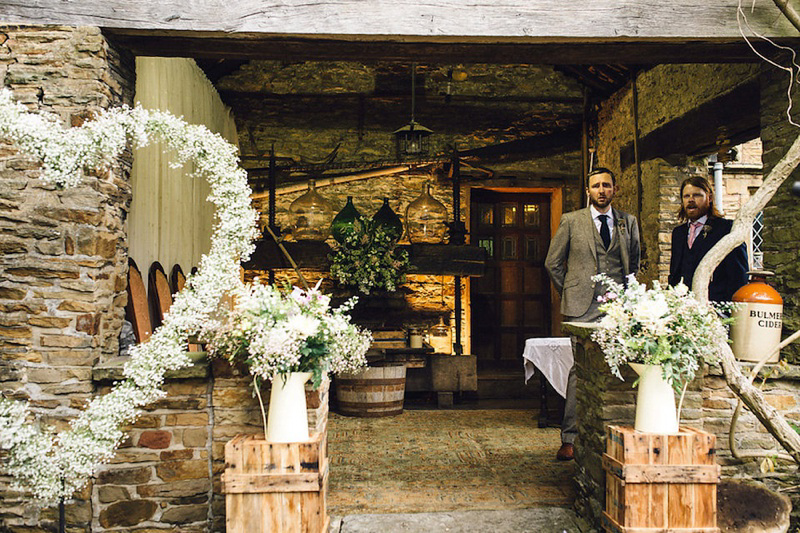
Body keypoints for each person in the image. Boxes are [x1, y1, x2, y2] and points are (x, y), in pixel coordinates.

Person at [544, 167, 641, 461]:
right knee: (579, 370)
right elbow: (553, 263)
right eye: (596, 186)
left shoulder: (628, 221)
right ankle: (570, 438)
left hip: (617, 308)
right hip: (581, 307)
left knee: (620, 368)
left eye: (607, 186)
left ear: (615, 190)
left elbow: (634, 261)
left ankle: (614, 432)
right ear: (588, 191)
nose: (602, 190)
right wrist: (571, 291)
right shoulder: (571, 221)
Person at [668, 176, 748, 302]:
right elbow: (675, 275)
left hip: (715, 307)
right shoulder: (678, 233)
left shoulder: (726, 229)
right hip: (683, 308)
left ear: (709, 198)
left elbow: (738, 276)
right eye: (686, 196)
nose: (691, 200)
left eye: (697, 195)